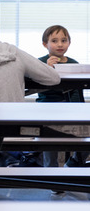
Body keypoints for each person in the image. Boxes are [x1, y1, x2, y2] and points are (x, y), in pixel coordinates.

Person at [35, 25, 88, 168]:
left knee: (85, 138)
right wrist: (47, 69)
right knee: (50, 144)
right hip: (47, 111)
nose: (60, 44)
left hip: (72, 111)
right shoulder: (39, 63)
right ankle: (51, 178)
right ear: (45, 44)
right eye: (54, 40)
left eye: (64, 40)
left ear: (69, 43)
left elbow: (78, 92)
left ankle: (73, 163)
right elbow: (36, 86)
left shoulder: (74, 63)